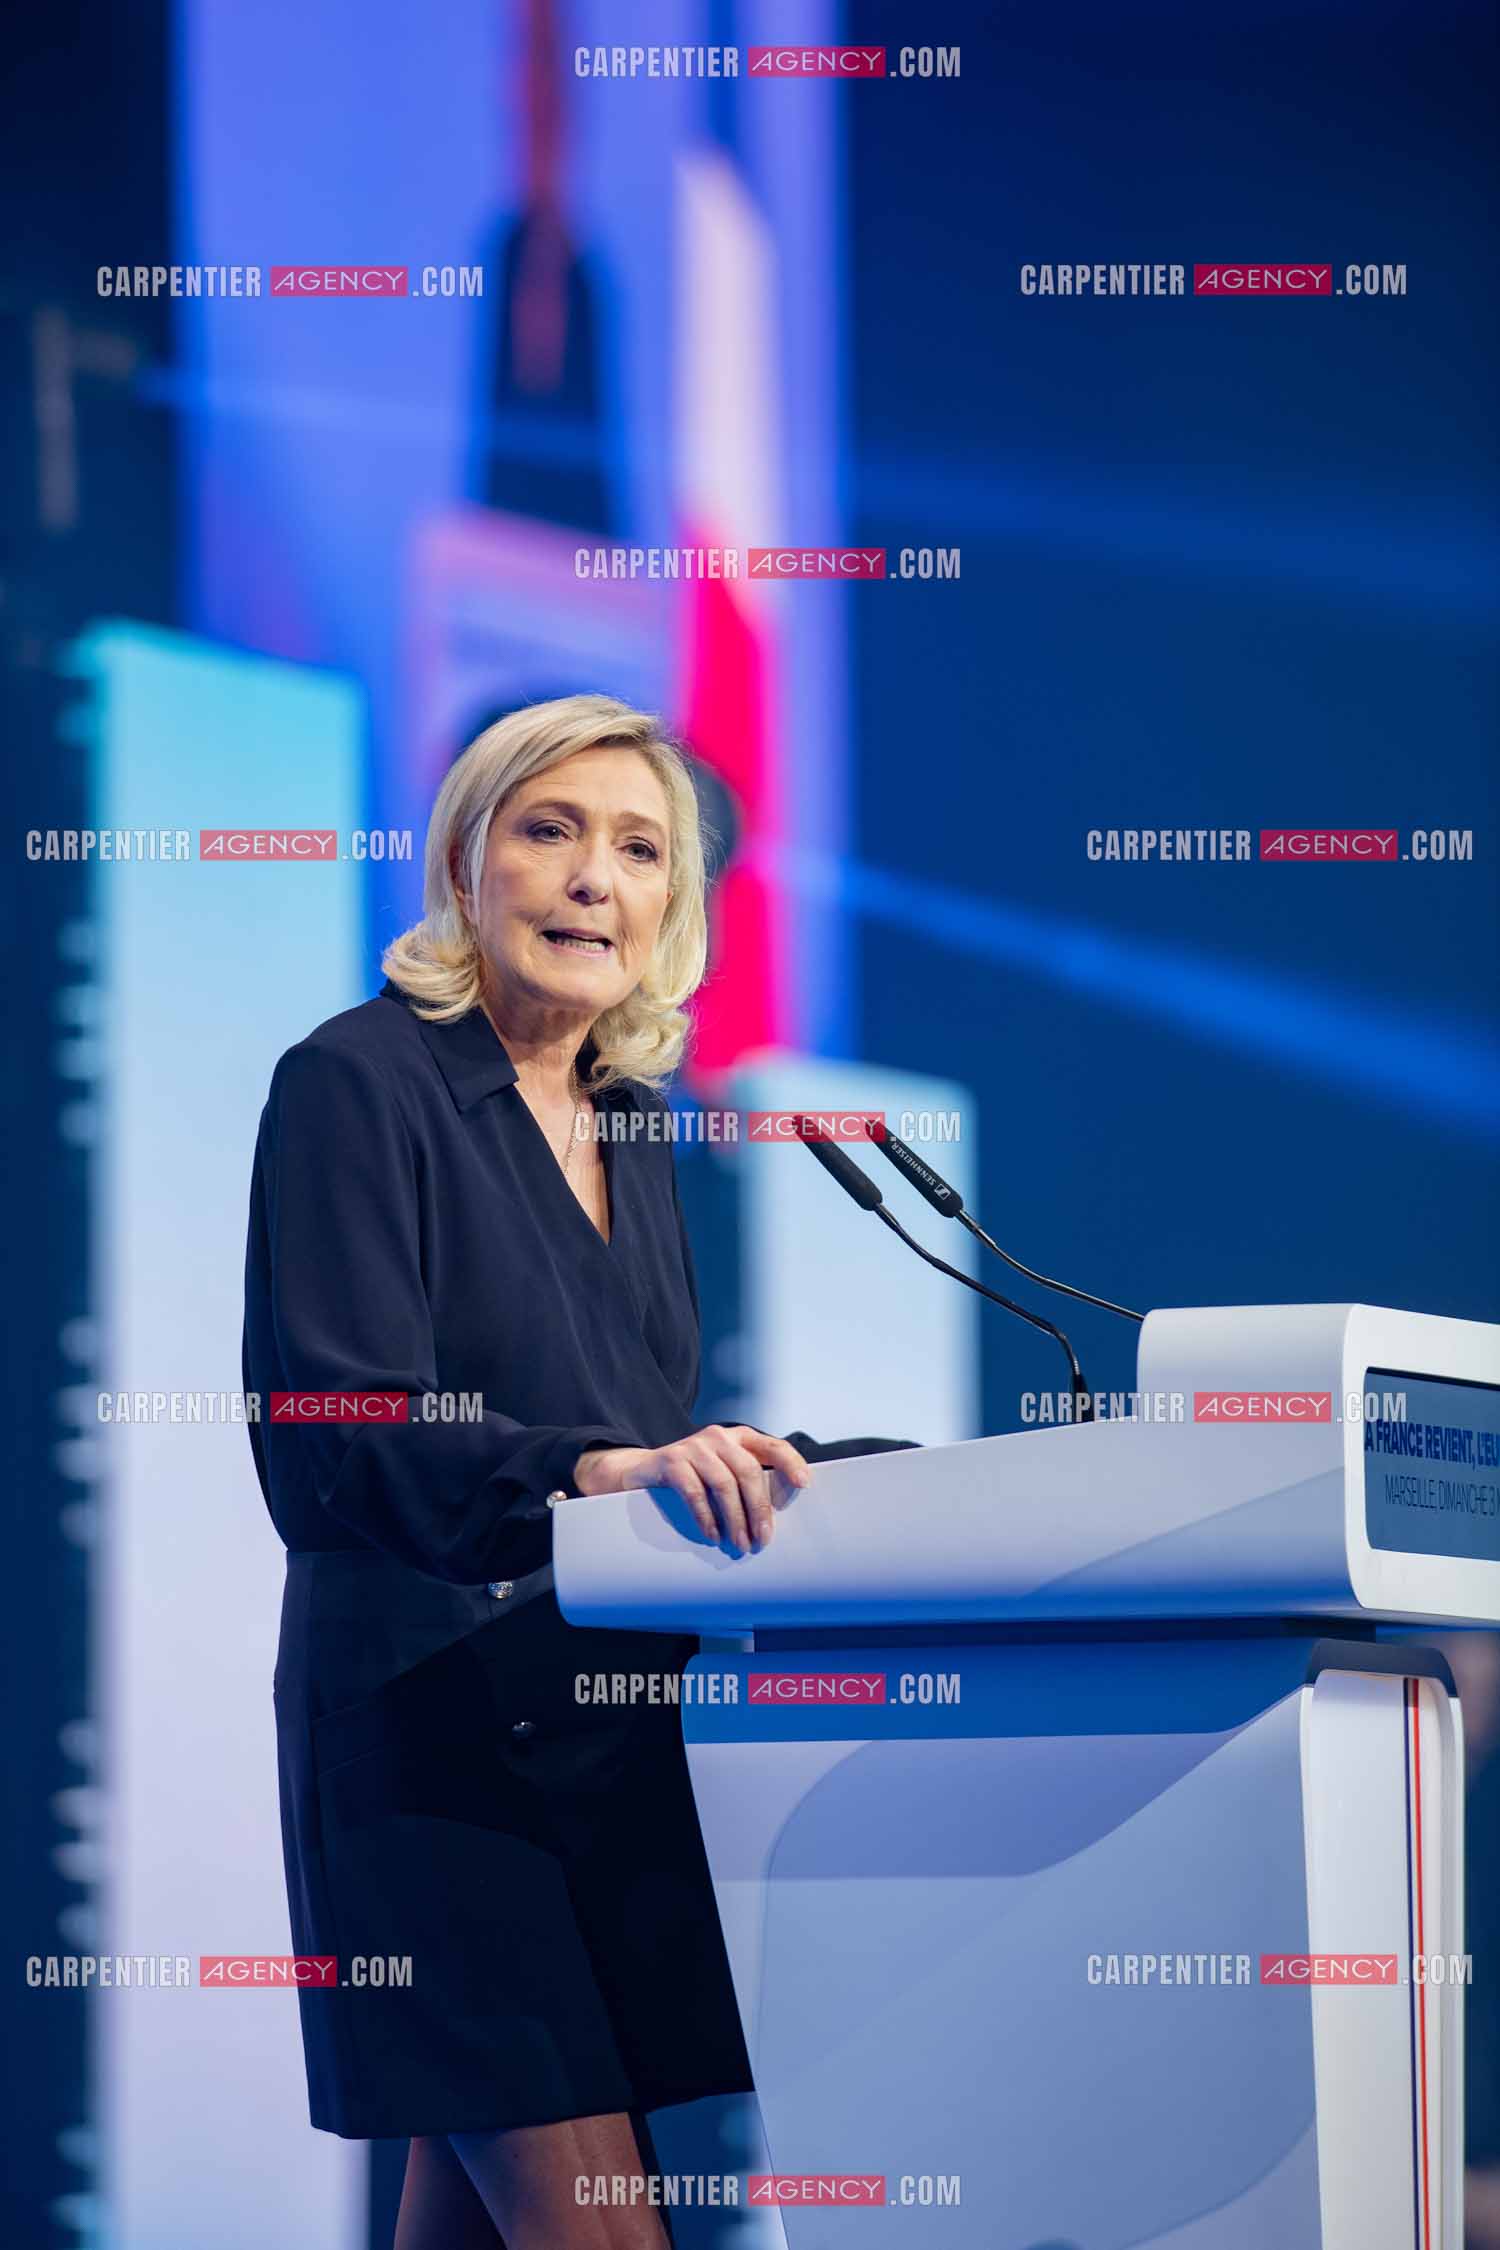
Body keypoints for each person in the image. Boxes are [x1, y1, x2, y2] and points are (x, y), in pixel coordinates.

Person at [241, 693, 916, 2249]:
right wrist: (599, 1467)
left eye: (639, 847)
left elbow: (635, 1414)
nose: (592, 876)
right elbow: (329, 1430)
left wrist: (791, 1471)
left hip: (603, 1744)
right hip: (433, 1746)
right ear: (468, 865)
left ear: (677, 903)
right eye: (549, 832)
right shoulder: (360, 1081)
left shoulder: (634, 1118)